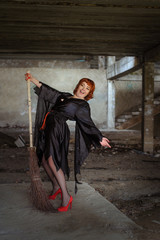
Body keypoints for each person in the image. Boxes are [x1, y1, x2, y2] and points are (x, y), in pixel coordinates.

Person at [25, 73, 111, 212]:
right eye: (82, 85)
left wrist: (99, 137)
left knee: (52, 160)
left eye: (87, 88)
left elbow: (88, 123)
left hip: (58, 128)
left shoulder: (82, 105)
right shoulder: (65, 96)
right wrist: (32, 79)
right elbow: (49, 91)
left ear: (89, 93)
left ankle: (66, 196)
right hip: (48, 127)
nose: (83, 89)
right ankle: (56, 186)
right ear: (78, 86)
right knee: (44, 160)